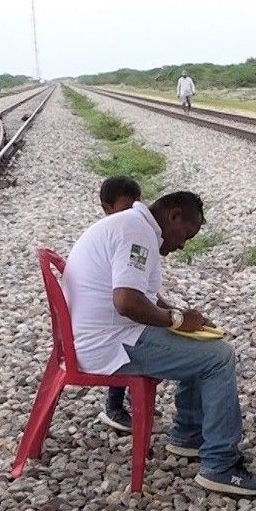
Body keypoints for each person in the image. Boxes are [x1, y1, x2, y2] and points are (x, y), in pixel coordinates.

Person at [63, 190, 256, 496]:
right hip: (109, 342)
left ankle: (188, 435)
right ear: (173, 215)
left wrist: (181, 319)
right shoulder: (137, 233)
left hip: (103, 334)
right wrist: (175, 321)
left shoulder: (133, 225)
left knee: (201, 347)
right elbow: (127, 302)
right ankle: (221, 465)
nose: (183, 244)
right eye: (187, 233)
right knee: (219, 356)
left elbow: (143, 295)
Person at [96, 175, 144, 433]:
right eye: (127, 209)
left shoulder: (118, 231)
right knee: (135, 331)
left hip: (109, 313)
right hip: (105, 325)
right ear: (107, 209)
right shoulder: (115, 234)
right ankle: (113, 405)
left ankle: (135, 397)